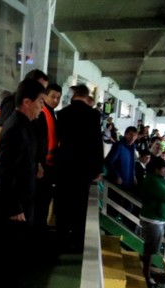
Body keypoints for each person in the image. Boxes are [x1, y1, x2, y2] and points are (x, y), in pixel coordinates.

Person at [0, 79, 45, 288]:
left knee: (13, 268)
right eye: (40, 103)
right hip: (9, 214)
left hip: (20, 210)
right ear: (27, 102)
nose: (42, 109)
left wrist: (35, 167)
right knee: (3, 272)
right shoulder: (13, 128)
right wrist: (14, 207)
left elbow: (20, 164)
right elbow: (4, 172)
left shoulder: (25, 127)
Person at [54, 84, 103, 251]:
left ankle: (61, 239)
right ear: (87, 96)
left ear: (74, 94)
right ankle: (77, 241)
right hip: (84, 168)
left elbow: (57, 142)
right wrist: (97, 168)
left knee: (63, 203)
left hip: (64, 166)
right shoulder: (94, 115)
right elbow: (97, 142)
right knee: (80, 204)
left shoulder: (62, 114)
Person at [139, 157, 165, 285]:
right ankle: (146, 274)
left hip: (156, 219)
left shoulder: (159, 180)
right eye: (164, 168)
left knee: (150, 248)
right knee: (150, 249)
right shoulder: (153, 181)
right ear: (156, 169)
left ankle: (146, 272)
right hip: (153, 220)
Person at [32, 83, 62, 234]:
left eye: (58, 98)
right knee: (40, 205)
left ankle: (41, 229)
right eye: (53, 97)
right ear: (45, 96)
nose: (55, 100)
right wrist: (38, 162)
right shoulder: (42, 114)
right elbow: (38, 141)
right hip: (42, 167)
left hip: (48, 166)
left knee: (44, 205)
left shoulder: (51, 113)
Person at [105, 126, 137, 191]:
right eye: (130, 134)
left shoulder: (132, 148)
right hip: (117, 183)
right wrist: (117, 176)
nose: (132, 137)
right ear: (125, 134)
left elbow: (132, 164)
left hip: (127, 182)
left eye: (135, 135)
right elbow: (108, 162)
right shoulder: (119, 146)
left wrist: (133, 175)